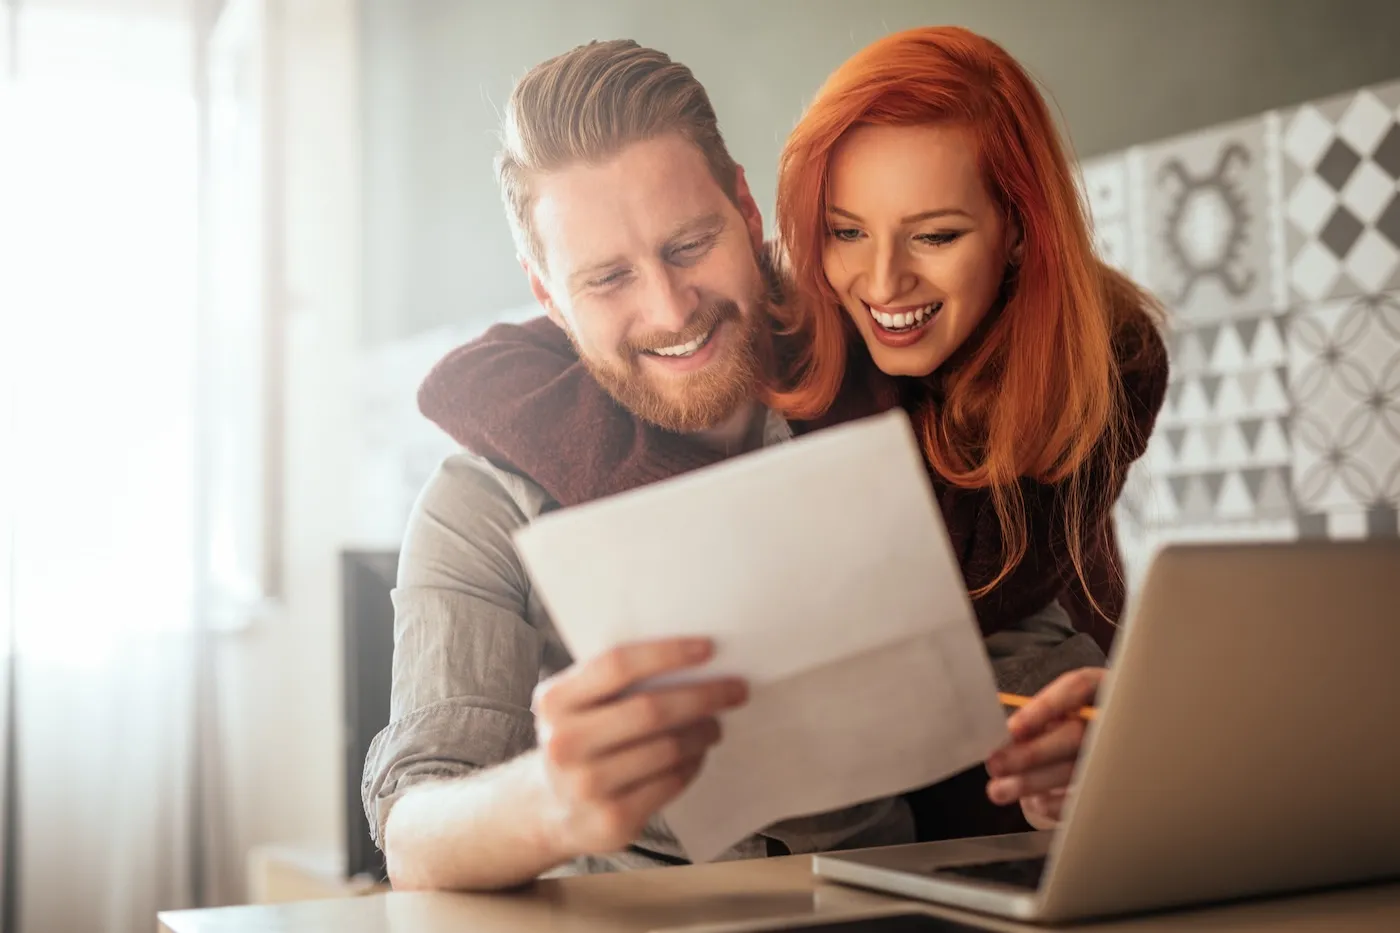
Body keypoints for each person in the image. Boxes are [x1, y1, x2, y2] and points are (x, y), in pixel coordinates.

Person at [367, 32, 1160, 895]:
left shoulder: (887, 398)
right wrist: (549, 799)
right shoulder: (478, 502)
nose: (670, 308)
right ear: (547, 293)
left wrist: (1087, 756)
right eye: (607, 280)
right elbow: (413, 831)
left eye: (688, 245)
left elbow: (1029, 657)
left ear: (747, 212)